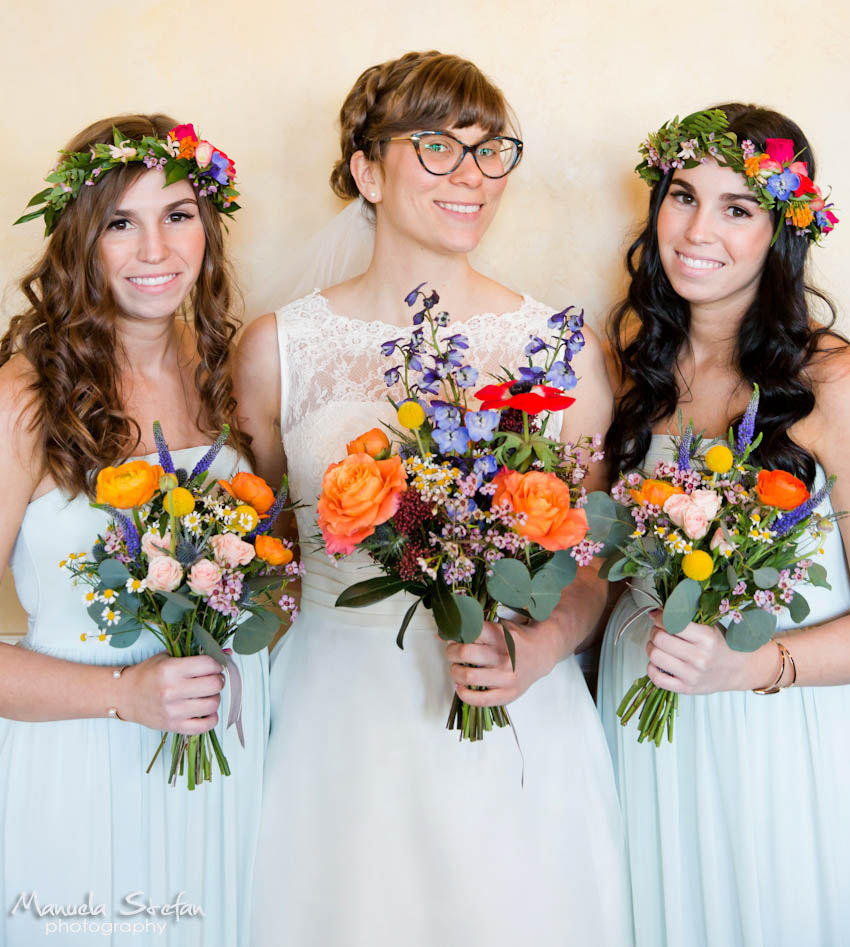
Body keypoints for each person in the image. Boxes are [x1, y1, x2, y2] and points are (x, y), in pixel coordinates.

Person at [237, 50, 632, 947]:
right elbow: (268, 551)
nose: (475, 177)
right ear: (366, 171)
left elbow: (590, 546)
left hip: (512, 708)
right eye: (437, 149)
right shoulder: (277, 350)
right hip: (337, 722)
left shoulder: (559, 350)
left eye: (492, 151)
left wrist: (544, 646)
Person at [0, 114, 268, 947]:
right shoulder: (25, 398)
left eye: (178, 214)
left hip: (223, 754)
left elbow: (276, 560)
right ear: (82, 239)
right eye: (122, 222)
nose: (156, 249)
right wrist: (122, 695)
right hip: (82, 762)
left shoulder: (227, 373)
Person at [597, 103, 850, 947]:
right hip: (638, 726)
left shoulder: (832, 382)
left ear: (783, 230)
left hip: (772, 741)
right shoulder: (628, 362)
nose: (697, 229)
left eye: (738, 207)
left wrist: (751, 667)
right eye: (681, 195)